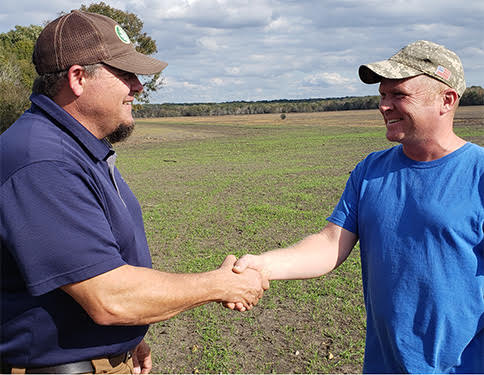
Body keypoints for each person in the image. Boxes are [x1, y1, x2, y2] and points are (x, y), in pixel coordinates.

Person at [0, 10, 268, 374]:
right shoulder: (44, 162)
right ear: (78, 78)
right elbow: (109, 296)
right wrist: (218, 285)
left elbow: (84, 274)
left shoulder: (75, 148)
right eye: (125, 74)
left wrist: (126, 340)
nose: (139, 87)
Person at [228, 40, 484, 373]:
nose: (384, 106)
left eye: (399, 95)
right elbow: (330, 243)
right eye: (382, 95)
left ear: (446, 100)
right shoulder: (370, 171)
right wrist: (263, 265)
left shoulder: (478, 174)